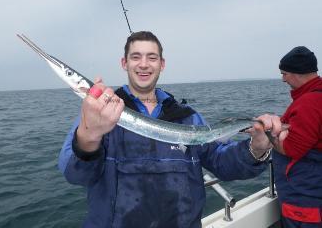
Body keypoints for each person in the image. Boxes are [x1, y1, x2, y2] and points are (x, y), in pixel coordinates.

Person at [58, 31, 283, 228]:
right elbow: (75, 175)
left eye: (151, 57)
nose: (144, 64)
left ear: (161, 64)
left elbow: (222, 163)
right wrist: (89, 136)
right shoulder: (100, 115)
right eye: (135, 57)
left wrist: (257, 147)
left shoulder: (187, 117)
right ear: (124, 63)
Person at [272, 46, 322, 228]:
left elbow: (292, 149)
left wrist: (270, 132)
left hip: (306, 198)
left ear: (298, 72)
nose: (283, 78)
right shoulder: (315, 96)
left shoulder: (309, 103)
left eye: (284, 73)